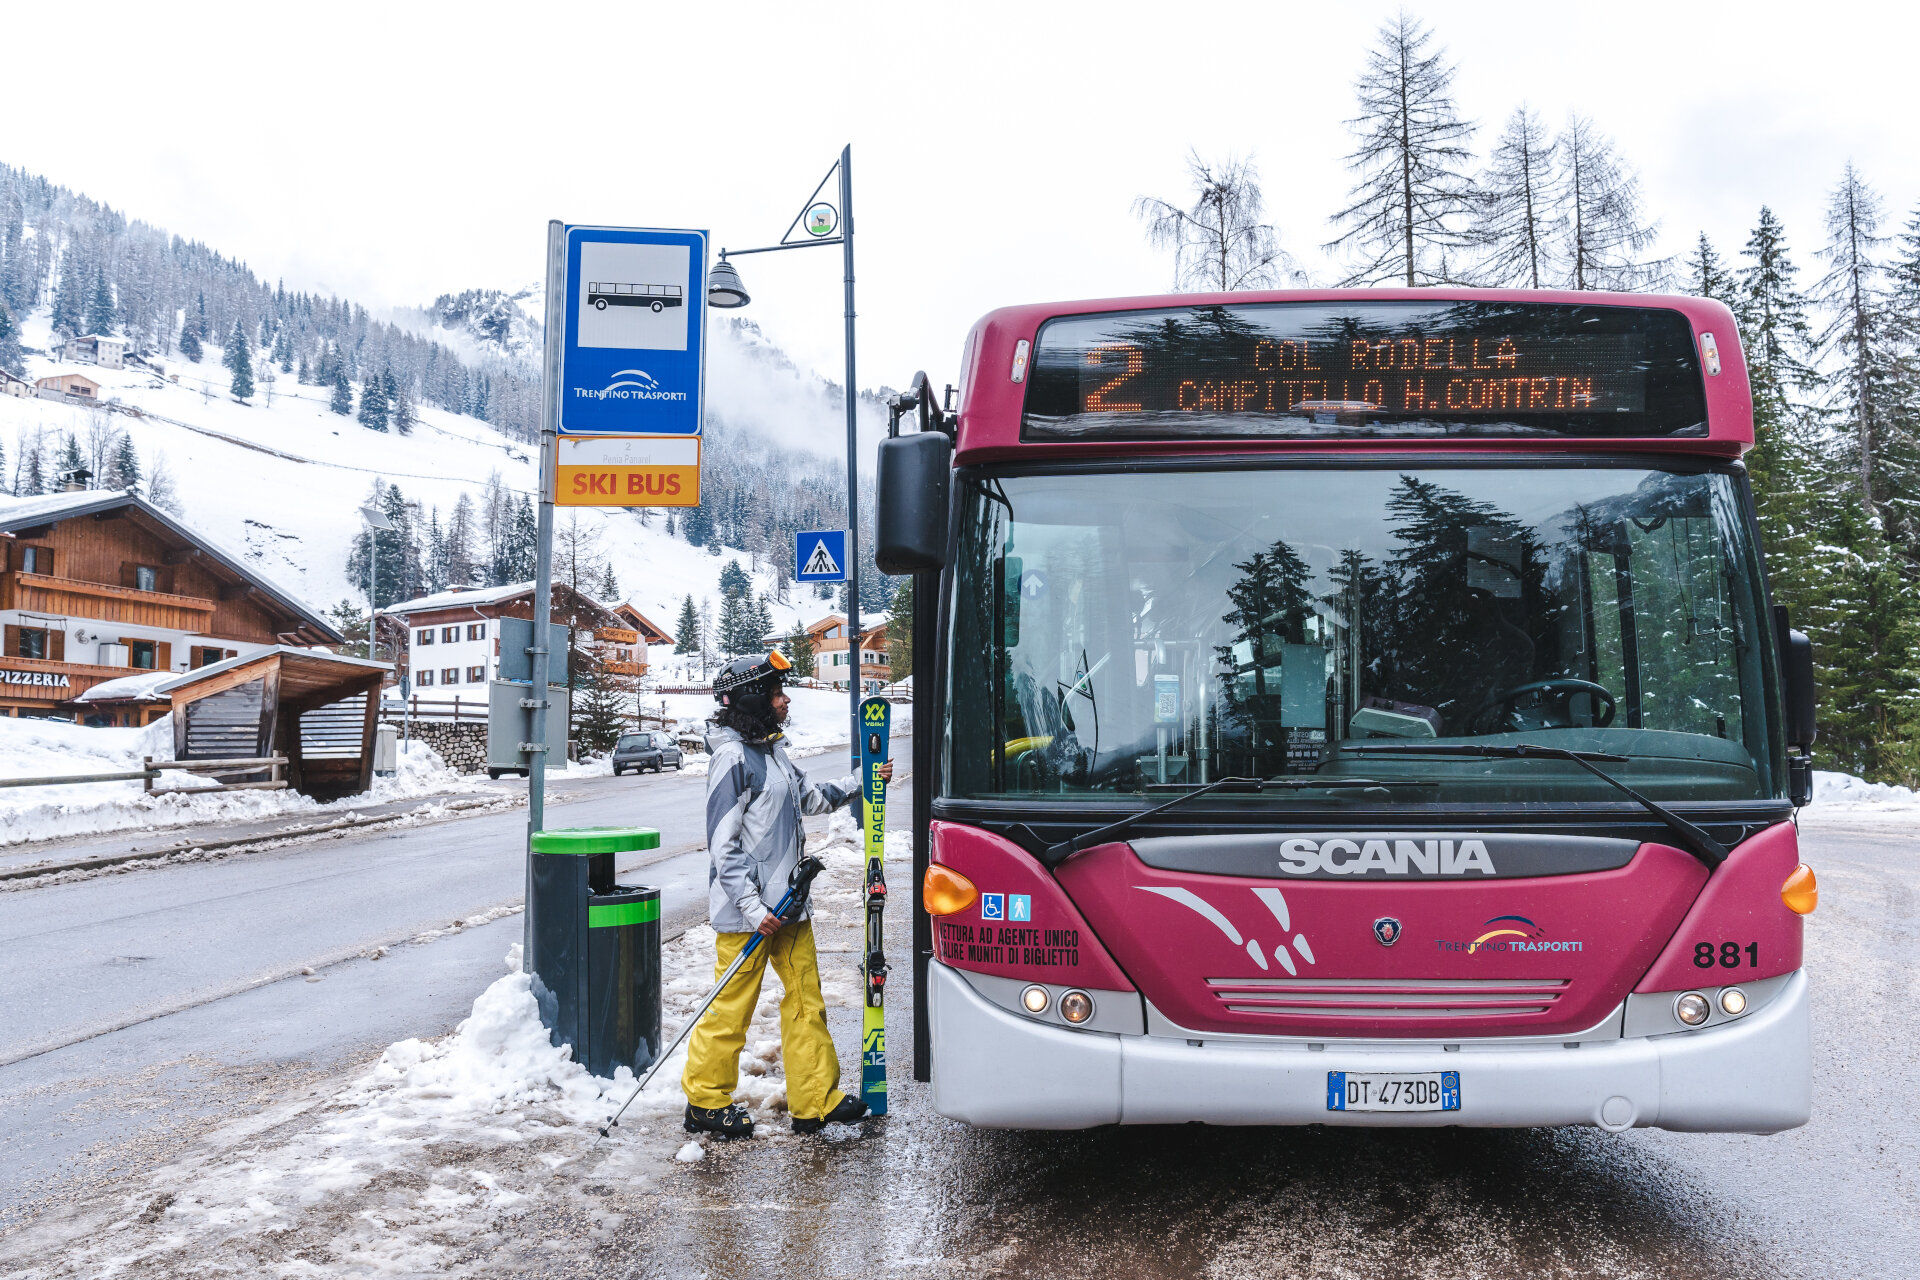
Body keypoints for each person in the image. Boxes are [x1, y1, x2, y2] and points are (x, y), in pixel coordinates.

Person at [682, 650, 893, 1139]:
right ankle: (704, 1101)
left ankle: (814, 1099)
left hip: (790, 907)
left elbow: (810, 798)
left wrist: (861, 782)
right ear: (754, 698)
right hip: (749, 914)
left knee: (805, 1001)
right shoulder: (732, 759)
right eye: (776, 692)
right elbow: (722, 844)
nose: (785, 699)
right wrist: (753, 908)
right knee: (731, 1006)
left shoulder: (772, 752)